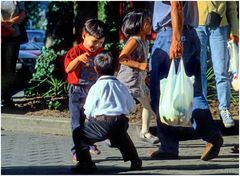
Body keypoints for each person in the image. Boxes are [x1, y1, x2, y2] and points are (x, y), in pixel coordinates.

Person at [149, 1, 223, 161]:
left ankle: (168, 146)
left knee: (161, 94)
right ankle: (211, 135)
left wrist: (176, 40)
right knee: (194, 93)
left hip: (172, 34)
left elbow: (176, 5)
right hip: (190, 34)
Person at [72, 51, 142, 173]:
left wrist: (90, 117)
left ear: (96, 69)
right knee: (122, 137)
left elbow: (89, 108)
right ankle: (135, 160)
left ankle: (85, 162)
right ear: (117, 68)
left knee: (79, 134)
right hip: (121, 122)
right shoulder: (121, 85)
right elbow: (131, 105)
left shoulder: (96, 87)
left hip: (102, 122)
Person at [64, 19, 107, 162]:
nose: (97, 46)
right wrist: (78, 59)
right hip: (77, 91)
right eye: (94, 42)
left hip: (94, 92)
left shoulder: (101, 53)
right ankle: (77, 150)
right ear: (84, 36)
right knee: (77, 123)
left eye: (100, 42)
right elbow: (68, 69)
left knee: (92, 121)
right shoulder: (75, 51)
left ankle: (89, 144)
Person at [117, 11, 159, 145]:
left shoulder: (144, 41)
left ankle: (145, 132)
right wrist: (140, 65)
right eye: (147, 22)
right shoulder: (134, 40)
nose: (150, 24)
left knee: (148, 104)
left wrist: (145, 77)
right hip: (128, 80)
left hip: (139, 80)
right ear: (139, 25)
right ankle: (110, 132)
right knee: (122, 109)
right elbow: (122, 58)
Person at [195, 1, 239, 128]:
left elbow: (232, 6)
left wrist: (235, 31)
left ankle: (224, 109)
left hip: (220, 25)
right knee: (200, 71)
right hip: (198, 25)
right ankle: (203, 111)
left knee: (221, 71)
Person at [1, 1, 27, 107]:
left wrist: (10, 22)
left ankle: (5, 98)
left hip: (12, 35)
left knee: (9, 68)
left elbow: (23, 13)